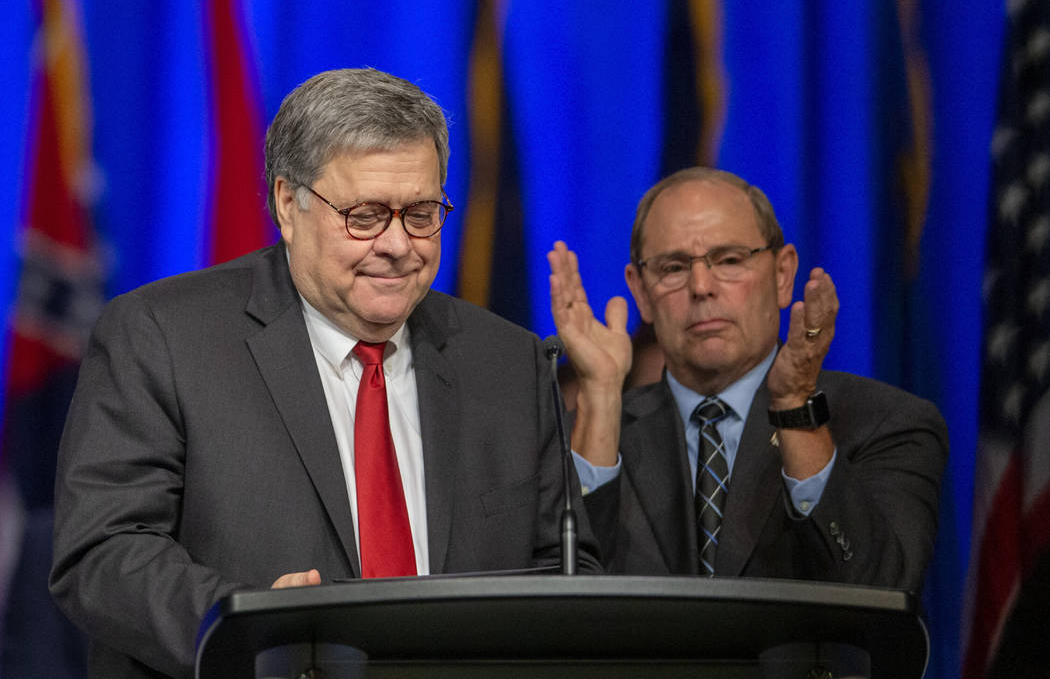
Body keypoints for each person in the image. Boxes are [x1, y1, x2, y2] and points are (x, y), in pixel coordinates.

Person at [50, 68, 600, 679]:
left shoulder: (508, 361)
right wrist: (246, 626)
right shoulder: (163, 336)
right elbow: (103, 551)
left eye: (421, 212)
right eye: (365, 216)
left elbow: (566, 571)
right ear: (289, 204)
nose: (398, 244)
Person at [548, 166, 947, 590]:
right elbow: (560, 609)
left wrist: (795, 406)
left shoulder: (886, 423)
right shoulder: (581, 442)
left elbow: (881, 589)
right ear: (641, 291)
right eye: (673, 268)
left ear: (782, 274)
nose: (701, 286)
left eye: (730, 260)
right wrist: (601, 399)